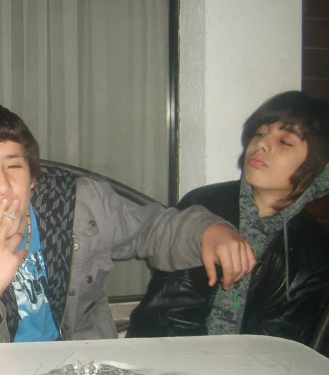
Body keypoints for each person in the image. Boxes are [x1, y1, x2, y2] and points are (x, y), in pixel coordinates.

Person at [0, 100, 256, 344]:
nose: (3, 185)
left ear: (33, 177)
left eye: (13, 166)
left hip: (83, 366)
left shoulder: (80, 205)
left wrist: (209, 230)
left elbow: (153, 228)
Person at [128, 91, 329, 344]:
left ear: (321, 169)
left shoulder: (314, 249)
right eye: (260, 133)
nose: (261, 144)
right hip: (168, 355)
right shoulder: (205, 205)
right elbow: (169, 313)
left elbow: (280, 344)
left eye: (285, 142)